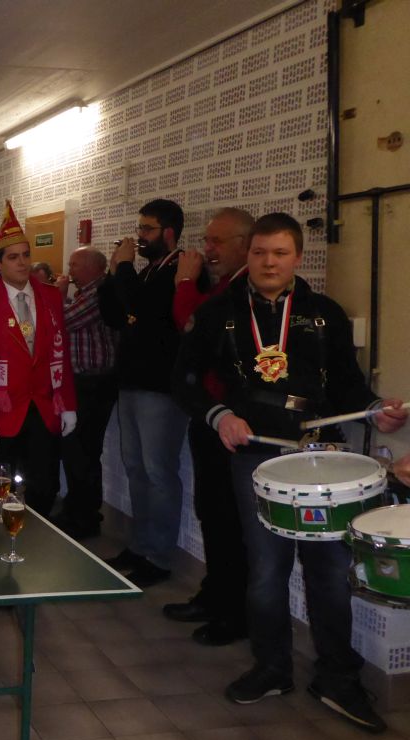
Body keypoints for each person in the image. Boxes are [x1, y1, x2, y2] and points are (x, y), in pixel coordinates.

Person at [174, 212, 406, 733]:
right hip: (256, 456)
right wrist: (220, 415)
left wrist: (374, 409)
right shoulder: (218, 312)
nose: (269, 263)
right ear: (249, 254)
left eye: (280, 253)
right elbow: (183, 381)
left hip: (324, 458)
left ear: (298, 257)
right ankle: (273, 667)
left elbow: (346, 385)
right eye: (260, 253)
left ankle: (338, 677)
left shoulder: (325, 314)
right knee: (265, 570)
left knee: (331, 572)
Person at [162, 208, 254, 646]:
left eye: (218, 241)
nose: (208, 249)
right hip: (210, 416)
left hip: (234, 424)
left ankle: (232, 611)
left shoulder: (241, 292)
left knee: (228, 518)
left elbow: (189, 323)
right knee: (212, 512)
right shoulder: (223, 286)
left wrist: (184, 282)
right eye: (207, 240)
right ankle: (215, 595)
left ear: (244, 244)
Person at [0, 200, 77, 517]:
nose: (22, 262)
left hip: (43, 406)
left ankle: (35, 536)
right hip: (1, 409)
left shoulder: (50, 296)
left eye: (26, 255)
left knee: (45, 486)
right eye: (13, 257)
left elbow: (60, 352)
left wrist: (68, 403)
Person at [99, 198, 189, 587]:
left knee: (158, 471)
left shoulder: (180, 269)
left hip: (161, 387)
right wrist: (112, 273)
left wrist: (123, 268)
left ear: (168, 233)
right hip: (131, 381)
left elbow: (146, 310)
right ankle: (139, 545)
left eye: (147, 229)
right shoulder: (149, 271)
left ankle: (159, 555)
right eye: (139, 228)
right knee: (134, 468)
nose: (139, 236)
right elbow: (115, 316)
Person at [53, 246, 118, 539]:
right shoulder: (84, 293)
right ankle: (75, 508)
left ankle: (85, 516)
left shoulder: (98, 293)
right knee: (75, 451)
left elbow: (63, 321)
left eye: (74, 265)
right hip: (82, 383)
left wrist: (58, 294)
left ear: (93, 267)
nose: (70, 271)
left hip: (94, 385)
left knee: (84, 452)